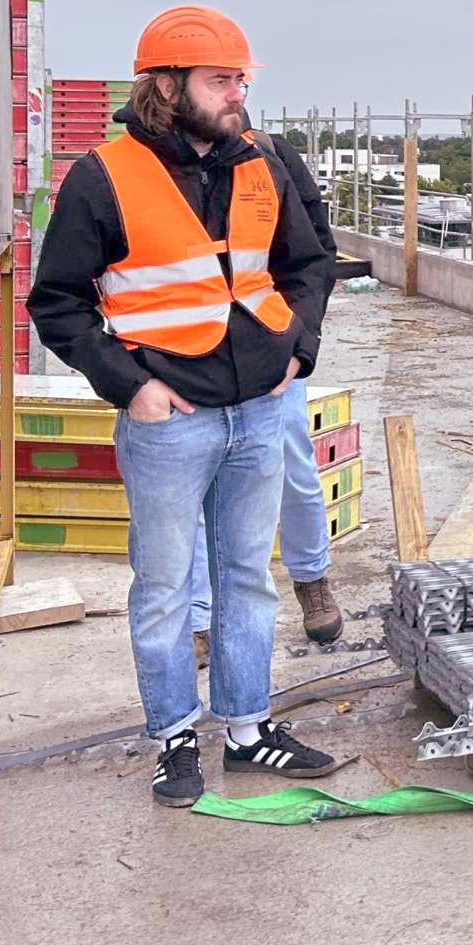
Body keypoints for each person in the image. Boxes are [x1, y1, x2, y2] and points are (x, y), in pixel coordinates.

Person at [27, 6, 338, 807]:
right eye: (220, 80)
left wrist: (296, 351)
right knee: (166, 589)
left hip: (259, 408)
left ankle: (248, 730)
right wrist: (132, 387)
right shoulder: (104, 176)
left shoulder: (262, 162)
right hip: (169, 419)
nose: (238, 94)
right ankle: (173, 738)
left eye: (242, 79)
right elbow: (57, 302)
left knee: (247, 579)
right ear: (166, 86)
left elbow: (308, 264)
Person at [190, 114, 342, 667]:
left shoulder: (273, 160)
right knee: (194, 489)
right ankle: (199, 619)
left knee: (293, 467)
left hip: (267, 349)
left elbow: (315, 257)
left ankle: (311, 578)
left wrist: (301, 343)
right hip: (187, 356)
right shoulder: (155, 168)